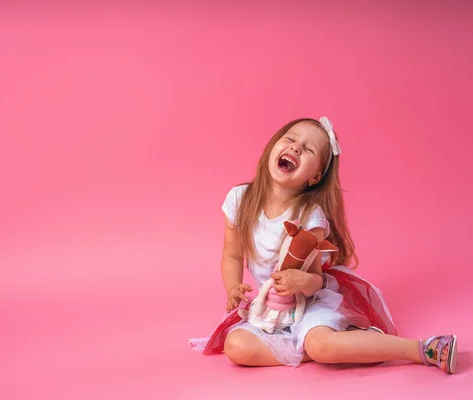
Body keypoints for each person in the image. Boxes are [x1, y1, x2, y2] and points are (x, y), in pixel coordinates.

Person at [189, 117, 458, 374]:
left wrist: (301, 282)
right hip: (270, 307)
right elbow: (232, 253)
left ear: (315, 177)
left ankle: (424, 349)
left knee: (320, 343)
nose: (295, 147)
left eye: (307, 149)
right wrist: (233, 287)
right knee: (236, 348)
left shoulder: (309, 216)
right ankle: (338, 347)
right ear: (272, 146)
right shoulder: (240, 199)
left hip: (309, 304)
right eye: (290, 139)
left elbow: (316, 280)